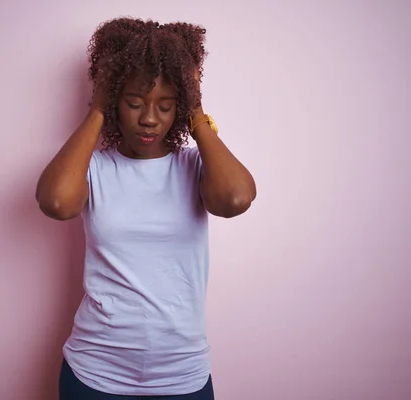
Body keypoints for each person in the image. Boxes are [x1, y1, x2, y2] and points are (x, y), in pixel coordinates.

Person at [36, 16, 256, 400]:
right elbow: (56, 202)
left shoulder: (194, 165)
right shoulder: (94, 168)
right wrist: (97, 107)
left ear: (180, 108)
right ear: (115, 99)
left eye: (167, 105)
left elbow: (235, 199)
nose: (150, 118)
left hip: (182, 374)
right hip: (94, 372)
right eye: (134, 102)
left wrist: (197, 108)